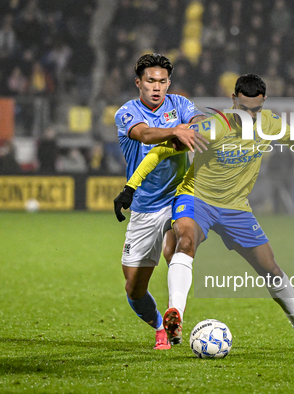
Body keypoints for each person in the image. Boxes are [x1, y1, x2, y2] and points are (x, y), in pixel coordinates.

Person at [115, 74, 294, 352]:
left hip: (236, 207)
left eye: (256, 110)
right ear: (233, 100)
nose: (250, 115)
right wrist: (130, 187)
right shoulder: (214, 127)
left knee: (270, 268)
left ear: (264, 103)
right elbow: (158, 153)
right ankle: (176, 314)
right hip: (196, 198)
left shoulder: (270, 124)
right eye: (244, 109)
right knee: (185, 242)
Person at [114, 53, 206, 350]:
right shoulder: (126, 112)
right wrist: (175, 130)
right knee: (134, 288)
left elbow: (198, 121)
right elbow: (145, 135)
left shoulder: (179, 104)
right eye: (150, 81)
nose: (156, 87)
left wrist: (202, 125)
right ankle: (159, 324)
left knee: (182, 241)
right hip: (143, 207)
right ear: (138, 82)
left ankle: (175, 314)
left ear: (169, 83)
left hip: (178, 194)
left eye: (162, 81)